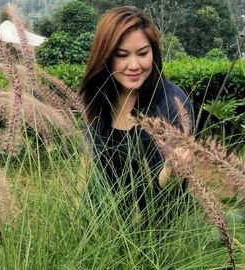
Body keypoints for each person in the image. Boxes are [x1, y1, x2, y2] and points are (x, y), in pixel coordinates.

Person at [78, 6, 194, 224]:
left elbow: (166, 191)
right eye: (122, 55)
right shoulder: (98, 97)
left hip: (155, 234)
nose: (134, 65)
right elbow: (89, 166)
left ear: (154, 52)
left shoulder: (173, 102)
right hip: (98, 228)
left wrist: (173, 169)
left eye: (142, 53)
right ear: (106, 56)